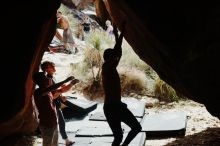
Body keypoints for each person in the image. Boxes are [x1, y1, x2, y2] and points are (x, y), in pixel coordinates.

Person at [101, 23, 142, 146]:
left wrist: (118, 34)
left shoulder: (110, 67)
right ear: (109, 58)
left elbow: (118, 52)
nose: (117, 57)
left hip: (112, 107)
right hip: (113, 107)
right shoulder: (107, 67)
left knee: (118, 136)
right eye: (114, 56)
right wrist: (119, 32)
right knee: (136, 128)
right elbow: (117, 50)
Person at [41, 61, 79, 146]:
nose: (54, 67)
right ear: (47, 69)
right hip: (53, 106)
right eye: (51, 66)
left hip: (55, 104)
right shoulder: (48, 80)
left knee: (60, 124)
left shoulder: (52, 78)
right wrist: (71, 84)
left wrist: (61, 97)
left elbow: (56, 91)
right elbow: (54, 93)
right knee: (57, 126)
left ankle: (65, 141)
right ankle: (65, 141)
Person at [32, 72, 75, 146]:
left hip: (53, 123)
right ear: (40, 80)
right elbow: (52, 88)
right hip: (46, 124)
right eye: (45, 77)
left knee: (54, 144)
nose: (47, 78)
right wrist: (65, 81)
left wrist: (71, 84)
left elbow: (60, 90)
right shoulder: (38, 92)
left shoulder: (48, 92)